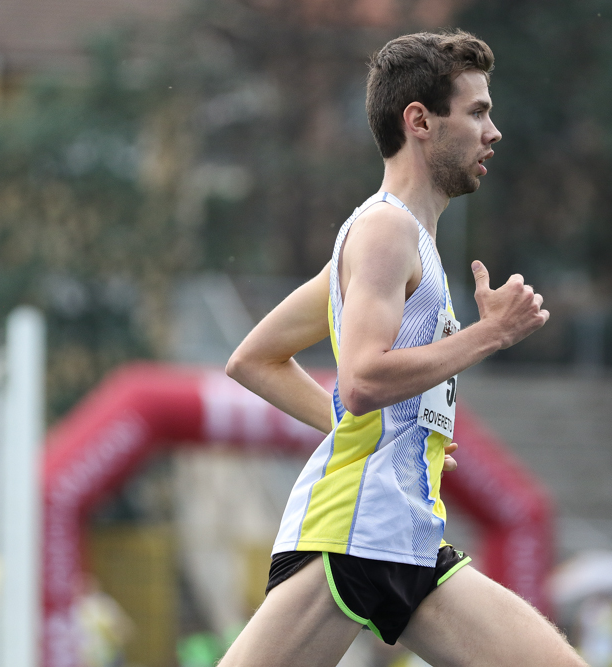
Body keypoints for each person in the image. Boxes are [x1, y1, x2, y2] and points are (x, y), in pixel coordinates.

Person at [223, 30, 585, 667]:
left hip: (407, 538)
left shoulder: (398, 239)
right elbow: (362, 381)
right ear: (419, 121)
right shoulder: (385, 229)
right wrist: (491, 333)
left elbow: (255, 359)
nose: (493, 132)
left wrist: (384, 428)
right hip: (351, 538)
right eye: (477, 112)